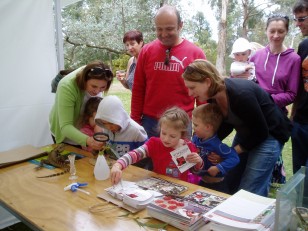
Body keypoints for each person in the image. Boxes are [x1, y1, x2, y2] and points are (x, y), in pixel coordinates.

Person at [182, 59, 292, 197]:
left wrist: (230, 153)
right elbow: (227, 123)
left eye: (192, 87)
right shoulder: (213, 96)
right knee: (232, 178)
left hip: (270, 134)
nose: (189, 93)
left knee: (250, 189)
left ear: (208, 82)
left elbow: (261, 132)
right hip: (248, 131)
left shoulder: (241, 94)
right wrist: (207, 144)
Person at [131, 4, 206, 139]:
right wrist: (135, 121)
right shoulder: (146, 52)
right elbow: (138, 88)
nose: (164, 34)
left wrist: (202, 126)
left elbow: (203, 96)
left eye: (169, 29)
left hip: (182, 124)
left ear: (180, 25)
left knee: (182, 161)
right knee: (145, 160)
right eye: (159, 29)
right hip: (150, 122)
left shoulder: (196, 54)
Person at [250, 14, 301, 185]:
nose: (276, 35)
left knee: (258, 176)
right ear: (266, 31)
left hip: (274, 118)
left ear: (287, 31)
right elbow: (248, 82)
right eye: (272, 31)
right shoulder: (256, 57)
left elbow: (292, 93)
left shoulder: (294, 59)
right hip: (253, 116)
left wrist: (267, 100)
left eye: (281, 31)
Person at [110, 107, 203, 185]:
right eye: (163, 133)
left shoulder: (186, 147)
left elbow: (194, 171)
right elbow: (135, 154)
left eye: (172, 136)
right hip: (158, 187)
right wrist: (118, 165)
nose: (166, 139)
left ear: (182, 135)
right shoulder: (154, 144)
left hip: (180, 189)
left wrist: (198, 162)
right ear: (160, 129)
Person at [49, 60, 113, 151]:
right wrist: (89, 141)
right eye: (94, 86)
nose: (97, 91)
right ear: (84, 80)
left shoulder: (98, 75)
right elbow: (66, 126)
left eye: (102, 87)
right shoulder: (66, 86)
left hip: (85, 130)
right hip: (65, 133)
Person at [191, 103, 240, 193]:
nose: (193, 127)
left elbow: (234, 158)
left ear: (208, 127)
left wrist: (218, 168)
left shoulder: (217, 145)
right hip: (202, 181)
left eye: (196, 125)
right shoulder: (195, 139)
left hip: (217, 185)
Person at [292, 0, 308, 174]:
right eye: (296, 19)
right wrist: (294, 115)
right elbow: (298, 84)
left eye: (302, 19)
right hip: (301, 122)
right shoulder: (304, 46)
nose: (297, 24)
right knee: (298, 174)